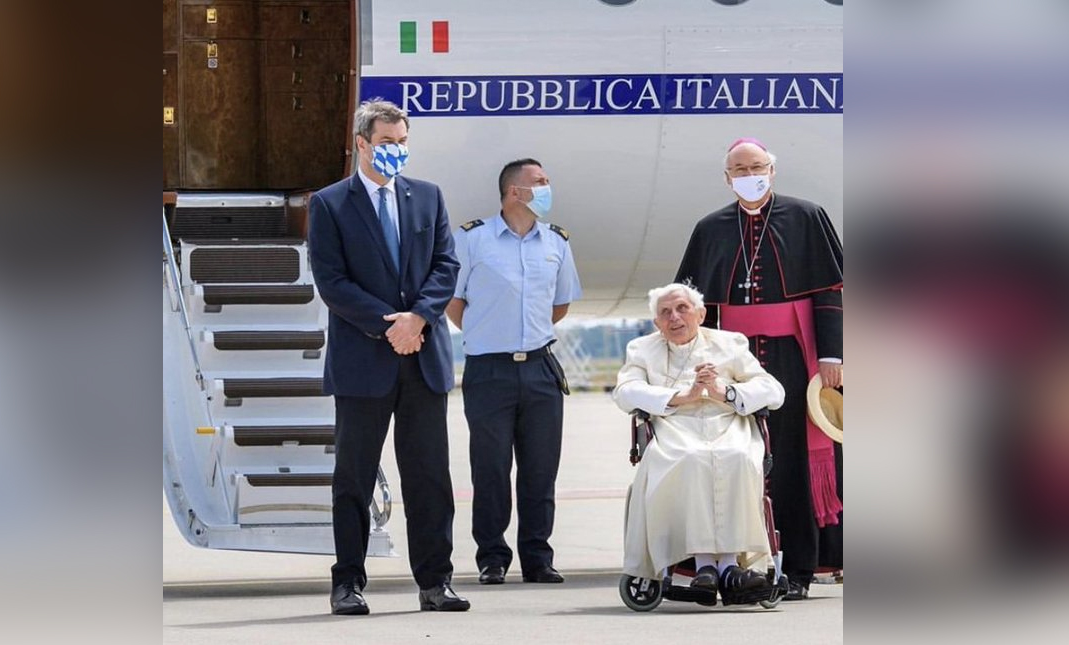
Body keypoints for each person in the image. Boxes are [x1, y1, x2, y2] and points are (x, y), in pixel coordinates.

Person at [307, 99, 469, 615]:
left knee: (429, 477)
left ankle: (436, 582)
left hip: (422, 356)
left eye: (402, 142)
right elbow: (332, 282)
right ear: (362, 143)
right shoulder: (329, 204)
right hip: (364, 362)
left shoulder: (428, 197)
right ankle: (348, 583)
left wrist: (417, 319)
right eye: (386, 143)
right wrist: (390, 325)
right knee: (353, 478)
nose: (396, 150)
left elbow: (446, 266)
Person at [674, 137, 843, 600]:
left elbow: (830, 291)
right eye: (741, 170)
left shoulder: (807, 216)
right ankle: (738, 563)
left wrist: (832, 357)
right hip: (731, 362)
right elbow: (694, 304)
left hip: (791, 357)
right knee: (734, 458)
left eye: (757, 167)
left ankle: (799, 570)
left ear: (772, 170)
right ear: (727, 178)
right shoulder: (710, 228)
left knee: (792, 462)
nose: (750, 176)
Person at [445, 159, 582, 585]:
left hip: (540, 369)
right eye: (539, 182)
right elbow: (453, 300)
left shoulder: (556, 242)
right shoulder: (472, 239)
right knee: (490, 468)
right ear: (513, 192)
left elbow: (560, 303)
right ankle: (492, 557)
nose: (547, 187)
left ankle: (538, 557)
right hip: (489, 370)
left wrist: (527, 333)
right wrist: (488, 332)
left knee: (541, 470)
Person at [613, 283, 785, 604]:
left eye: (682, 308)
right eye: (665, 313)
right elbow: (625, 392)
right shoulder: (642, 349)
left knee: (736, 456)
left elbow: (773, 390)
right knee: (691, 458)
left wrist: (724, 391)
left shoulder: (730, 343)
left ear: (701, 314)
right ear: (656, 323)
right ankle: (706, 566)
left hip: (728, 425)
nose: (674, 317)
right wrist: (682, 396)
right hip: (674, 429)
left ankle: (728, 567)